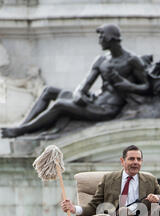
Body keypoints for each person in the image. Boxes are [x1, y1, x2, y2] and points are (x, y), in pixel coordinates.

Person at [1, 24, 150, 138]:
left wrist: (128, 86)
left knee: (60, 105)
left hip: (107, 108)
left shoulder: (131, 60)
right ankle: (23, 124)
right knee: (49, 90)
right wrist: (79, 94)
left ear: (111, 39)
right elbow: (85, 84)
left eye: (101, 37)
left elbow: (147, 86)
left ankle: (22, 130)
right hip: (94, 101)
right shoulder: (101, 60)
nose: (99, 41)